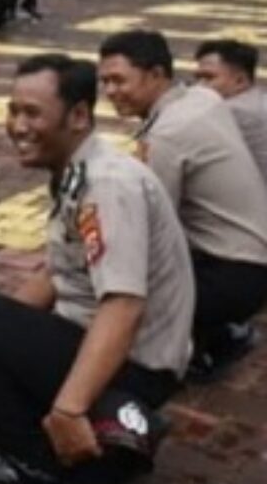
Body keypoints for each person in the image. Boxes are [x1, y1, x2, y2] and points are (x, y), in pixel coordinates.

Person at [0, 55, 194, 484]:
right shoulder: (79, 169)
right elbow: (61, 269)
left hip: (136, 367)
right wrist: (2, 344)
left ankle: (34, 464)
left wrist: (69, 410)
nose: (17, 126)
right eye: (13, 111)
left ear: (78, 115)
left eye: (32, 113)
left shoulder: (108, 185)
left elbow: (124, 304)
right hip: (112, 348)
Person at [98, 30, 267, 380]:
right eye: (105, 82)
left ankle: (179, 353)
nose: (110, 92)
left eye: (118, 80)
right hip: (253, 257)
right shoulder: (202, 98)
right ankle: (218, 331)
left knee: (119, 287)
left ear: (157, 74)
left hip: (233, 274)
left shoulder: (165, 136)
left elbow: (150, 228)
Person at [194, 39, 267, 187]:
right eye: (198, 78)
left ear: (240, 81)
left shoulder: (232, 111)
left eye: (209, 78)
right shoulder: (258, 99)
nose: (199, 86)